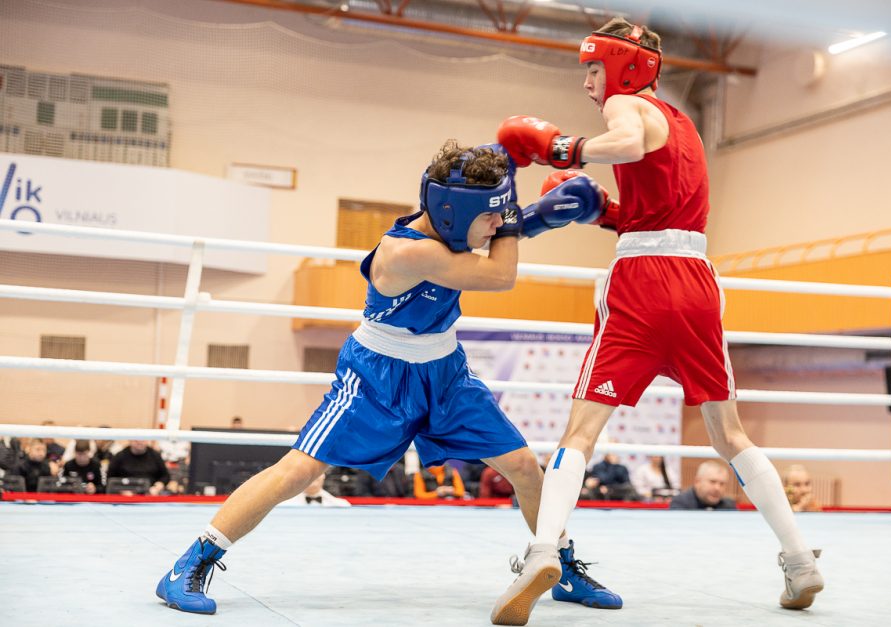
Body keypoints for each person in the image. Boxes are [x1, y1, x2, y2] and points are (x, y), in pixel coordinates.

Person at [156, 140, 621, 616]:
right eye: (491, 217)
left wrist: (520, 185)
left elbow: (490, 233)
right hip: (377, 376)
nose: (498, 225)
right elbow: (501, 275)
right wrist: (533, 215)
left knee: (524, 467)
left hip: (445, 373)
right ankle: (191, 562)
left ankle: (560, 565)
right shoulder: (405, 253)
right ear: (453, 214)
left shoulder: (452, 233)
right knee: (299, 471)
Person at [492, 17, 824, 623]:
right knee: (730, 436)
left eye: (594, 66)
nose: (589, 79)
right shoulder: (682, 124)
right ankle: (800, 559)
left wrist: (562, 149)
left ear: (620, 68)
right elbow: (661, 211)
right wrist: (603, 212)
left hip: (641, 284)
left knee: (580, 432)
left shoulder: (627, 108)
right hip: (696, 281)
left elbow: (625, 144)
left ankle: (544, 550)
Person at [669, 461, 737, 510]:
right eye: (712, 482)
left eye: (722, 484)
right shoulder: (681, 503)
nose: (717, 488)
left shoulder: (729, 506)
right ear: (697, 482)